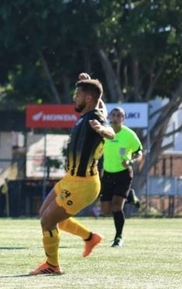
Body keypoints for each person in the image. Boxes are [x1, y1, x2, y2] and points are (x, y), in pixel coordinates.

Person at [30, 73, 115, 275]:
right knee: (45, 215)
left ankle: (52, 266)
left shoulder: (95, 119)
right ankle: (90, 238)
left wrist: (103, 130)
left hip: (84, 184)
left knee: (48, 222)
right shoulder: (89, 114)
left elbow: (111, 132)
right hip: (71, 179)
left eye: (77, 94)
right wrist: (91, 82)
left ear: (87, 99)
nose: (74, 98)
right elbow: (99, 102)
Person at [100, 106, 143, 247]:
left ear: (123, 119)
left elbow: (139, 152)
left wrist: (131, 161)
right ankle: (129, 196)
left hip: (123, 174)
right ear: (109, 117)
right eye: (114, 115)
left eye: (119, 115)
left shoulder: (129, 135)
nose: (116, 117)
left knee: (116, 207)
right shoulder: (104, 133)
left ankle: (118, 237)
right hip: (107, 174)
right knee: (106, 210)